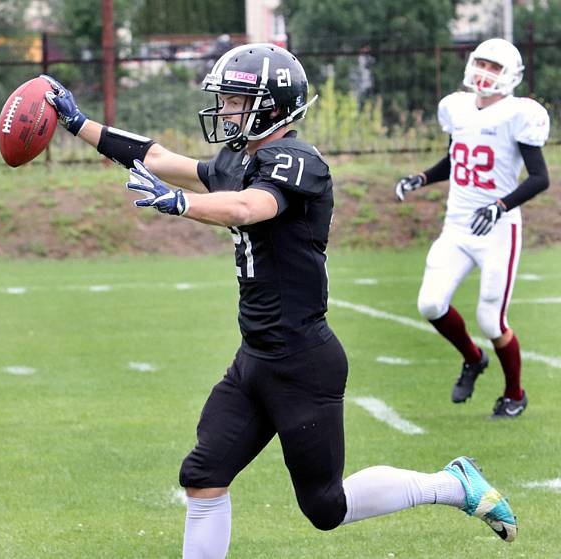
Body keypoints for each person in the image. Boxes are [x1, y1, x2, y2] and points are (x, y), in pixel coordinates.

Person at [41, 43, 517, 556]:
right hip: (256, 358)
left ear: (271, 106)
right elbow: (156, 157)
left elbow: (250, 206)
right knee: (203, 474)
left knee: (325, 507)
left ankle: (452, 484)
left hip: (303, 362)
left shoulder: (298, 160)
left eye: (234, 99)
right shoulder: (238, 159)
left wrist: (184, 204)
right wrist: (80, 124)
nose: (223, 109)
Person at [395, 38, 550, 419]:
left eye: (495, 67)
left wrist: (500, 206)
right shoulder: (457, 107)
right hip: (458, 225)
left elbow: (540, 178)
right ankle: (473, 358)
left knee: (491, 319)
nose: (485, 73)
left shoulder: (519, 113)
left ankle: (515, 394)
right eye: (481, 63)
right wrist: (421, 178)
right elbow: (454, 159)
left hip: (498, 230)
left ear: (510, 75)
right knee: (430, 303)